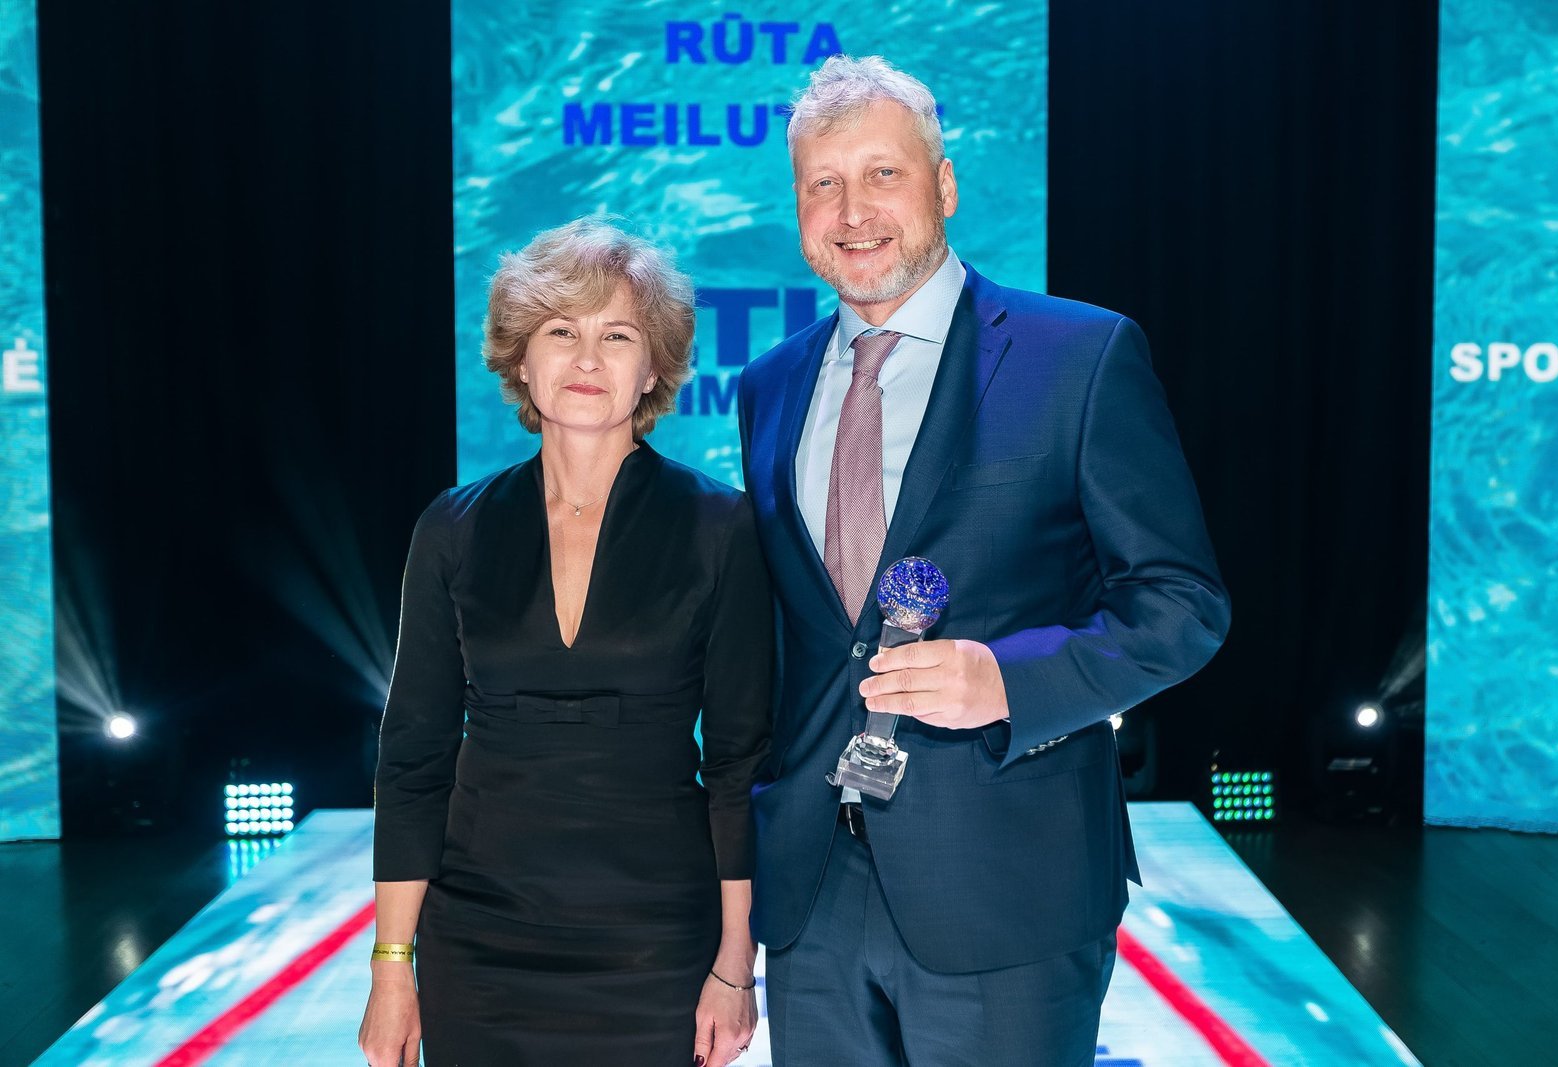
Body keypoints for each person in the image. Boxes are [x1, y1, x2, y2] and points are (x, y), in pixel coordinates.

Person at [736, 56, 1230, 1065]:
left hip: (1009, 883)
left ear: (945, 185)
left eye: (883, 173)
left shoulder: (1079, 355)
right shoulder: (768, 386)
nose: (852, 211)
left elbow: (1181, 603)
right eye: (823, 183)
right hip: (813, 894)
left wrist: (1006, 679)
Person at [359, 218, 771, 1067]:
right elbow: (413, 759)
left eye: (616, 335)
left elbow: (740, 763)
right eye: (560, 331)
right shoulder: (452, 528)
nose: (587, 358)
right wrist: (392, 966)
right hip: (479, 939)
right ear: (521, 358)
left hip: (657, 941)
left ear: (652, 367)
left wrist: (737, 963)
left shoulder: (720, 526)